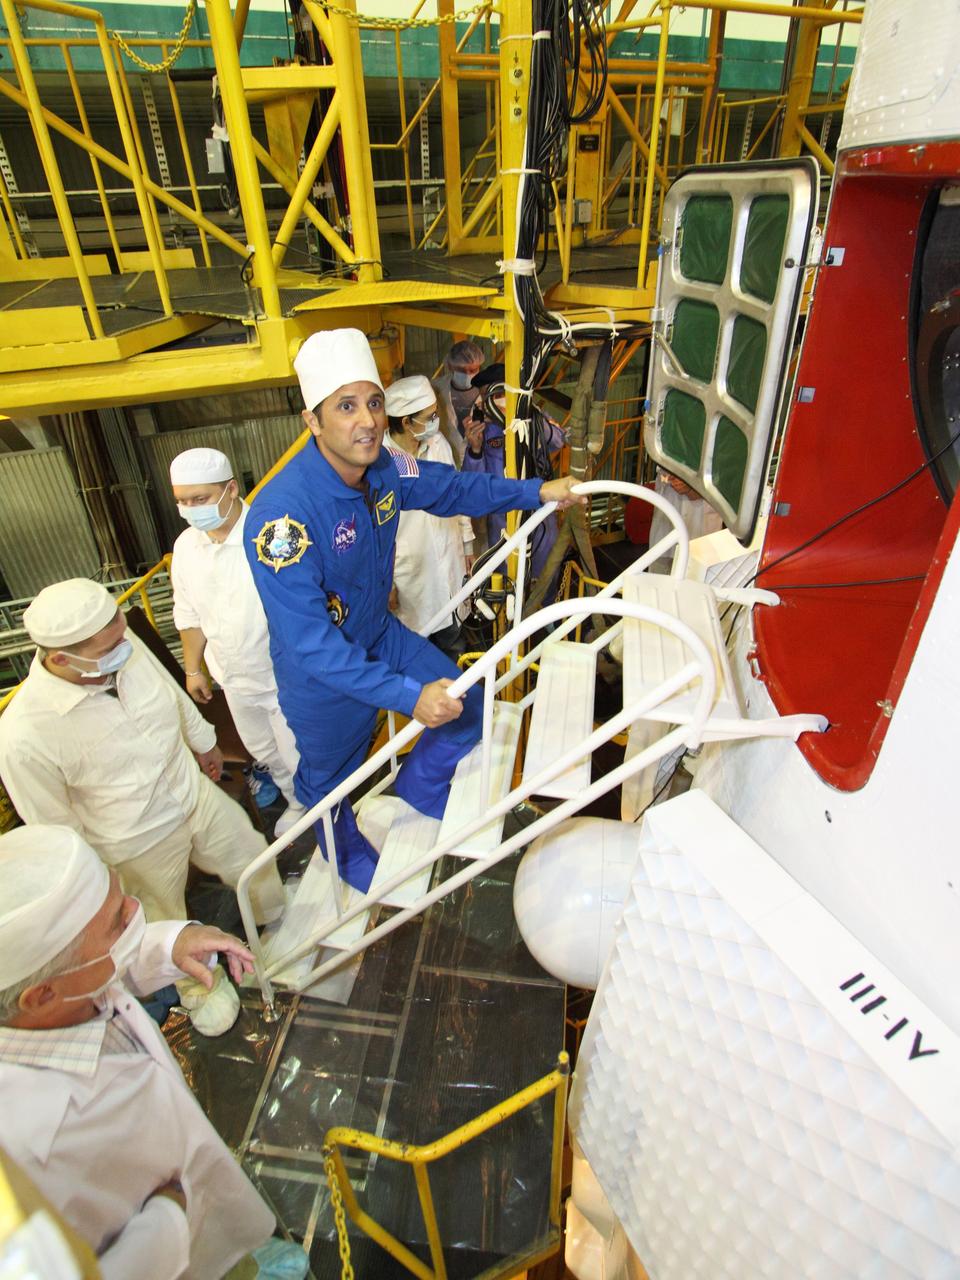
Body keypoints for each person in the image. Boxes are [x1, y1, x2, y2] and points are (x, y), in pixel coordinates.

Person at [244, 328, 585, 893]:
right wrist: (409, 698)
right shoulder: (281, 518)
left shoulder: (383, 468)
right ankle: (343, 853)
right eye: (346, 407)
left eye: (374, 403)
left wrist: (537, 492)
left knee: (468, 702)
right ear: (313, 421)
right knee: (331, 785)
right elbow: (311, 644)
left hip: (381, 635)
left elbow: (451, 490)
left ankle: (421, 785)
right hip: (322, 679)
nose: (368, 421)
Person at [0, 823, 309, 1279]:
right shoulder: (23, 1157)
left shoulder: (56, 991)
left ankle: (242, 1255)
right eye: (119, 922)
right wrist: (165, 1223)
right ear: (42, 996)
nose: (137, 912)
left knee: (231, 1240)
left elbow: (100, 967)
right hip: (173, 1259)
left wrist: (171, 944)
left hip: (194, 1194)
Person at [0, 579, 285, 936]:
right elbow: (56, 826)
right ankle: (196, 973)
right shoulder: (24, 736)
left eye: (122, 635)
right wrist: (99, 884)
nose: (125, 648)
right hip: (137, 845)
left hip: (191, 793)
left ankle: (279, 927)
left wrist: (203, 742)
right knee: (166, 928)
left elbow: (169, 689)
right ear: (60, 658)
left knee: (252, 860)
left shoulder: (119, 644)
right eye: (111, 647)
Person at [170, 446, 308, 838]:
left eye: (200, 499)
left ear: (231, 489)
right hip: (233, 678)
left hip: (283, 676)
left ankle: (319, 807)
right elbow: (189, 614)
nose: (191, 509)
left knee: (299, 753)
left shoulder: (270, 538)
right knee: (264, 750)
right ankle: (296, 801)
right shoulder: (186, 547)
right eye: (182, 501)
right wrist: (193, 669)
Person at [385, 374, 474, 658]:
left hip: (449, 560)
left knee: (454, 642)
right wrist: (386, 583)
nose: (436, 421)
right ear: (405, 422)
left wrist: (467, 544)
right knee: (417, 653)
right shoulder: (380, 463)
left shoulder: (438, 444)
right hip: (411, 577)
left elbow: (458, 494)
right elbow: (374, 533)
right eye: (429, 417)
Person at [462, 366, 567, 580]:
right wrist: (475, 449)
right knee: (508, 584)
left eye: (498, 395)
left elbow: (558, 440)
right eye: (486, 397)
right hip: (503, 522)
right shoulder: (482, 430)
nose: (492, 403)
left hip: (540, 515)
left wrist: (527, 417)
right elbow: (474, 484)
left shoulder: (533, 417)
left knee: (545, 579)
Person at [433, 338, 485, 463]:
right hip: (445, 459)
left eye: (473, 370)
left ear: (479, 367)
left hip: (480, 460)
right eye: (461, 370)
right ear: (450, 366)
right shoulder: (434, 388)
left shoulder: (490, 391)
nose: (467, 375)